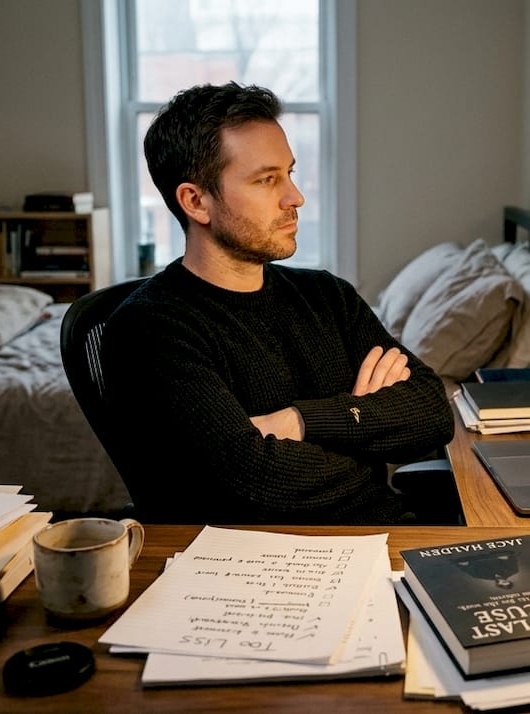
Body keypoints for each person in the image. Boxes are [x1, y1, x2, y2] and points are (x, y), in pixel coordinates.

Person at [102, 82, 454, 525]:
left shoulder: (327, 296)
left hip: (385, 541)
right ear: (196, 201)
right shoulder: (150, 328)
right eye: (267, 179)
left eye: (289, 173)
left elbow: (432, 412)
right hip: (261, 570)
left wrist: (297, 423)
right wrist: (364, 435)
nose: (295, 198)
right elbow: (250, 484)